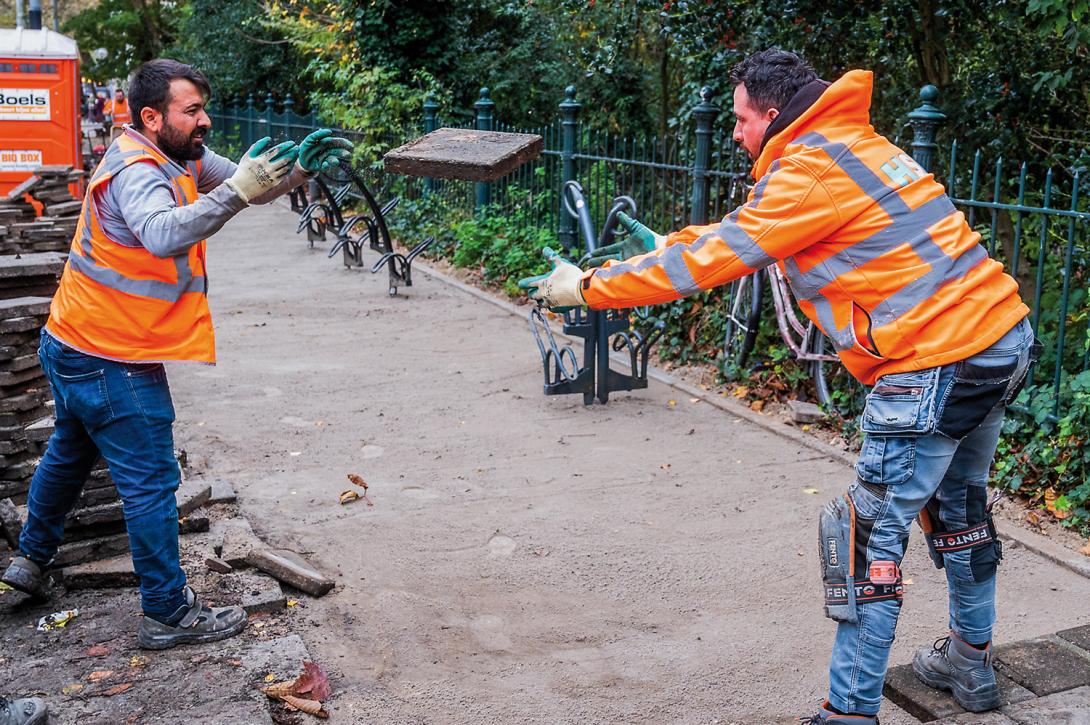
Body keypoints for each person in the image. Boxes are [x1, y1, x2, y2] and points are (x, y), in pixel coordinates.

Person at [519, 48, 1036, 723]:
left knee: (864, 538)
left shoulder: (806, 171)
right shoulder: (855, 144)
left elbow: (718, 256)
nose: (734, 133)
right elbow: (745, 234)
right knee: (961, 507)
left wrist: (590, 285)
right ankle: (970, 661)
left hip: (934, 362)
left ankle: (848, 713)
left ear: (772, 112)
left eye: (740, 120)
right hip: (1001, 339)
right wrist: (660, 245)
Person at [1, 59, 352, 650]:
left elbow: (242, 185)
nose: (205, 121)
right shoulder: (139, 170)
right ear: (151, 116)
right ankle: (165, 612)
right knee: (152, 484)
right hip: (112, 354)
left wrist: (294, 173)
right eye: (192, 110)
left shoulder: (174, 152)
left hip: (72, 338)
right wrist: (239, 192)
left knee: (69, 450)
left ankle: (29, 562)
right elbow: (163, 233)